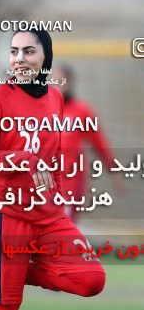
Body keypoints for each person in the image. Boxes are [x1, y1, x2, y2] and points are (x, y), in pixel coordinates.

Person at [0, 27, 106, 310]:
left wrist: (56, 197)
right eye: (14, 51)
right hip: (7, 218)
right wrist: (24, 159)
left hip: (48, 216)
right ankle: (9, 274)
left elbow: (53, 156)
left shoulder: (55, 98)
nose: (19, 59)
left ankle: (21, 273)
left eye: (29, 51)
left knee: (91, 279)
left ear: (45, 57)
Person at [53, 64, 118, 220]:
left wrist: (114, 171)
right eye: (54, 81)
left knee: (63, 226)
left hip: (70, 183)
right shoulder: (45, 112)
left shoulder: (82, 111)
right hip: (48, 185)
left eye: (61, 81)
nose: (57, 85)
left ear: (69, 83)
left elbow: (99, 143)